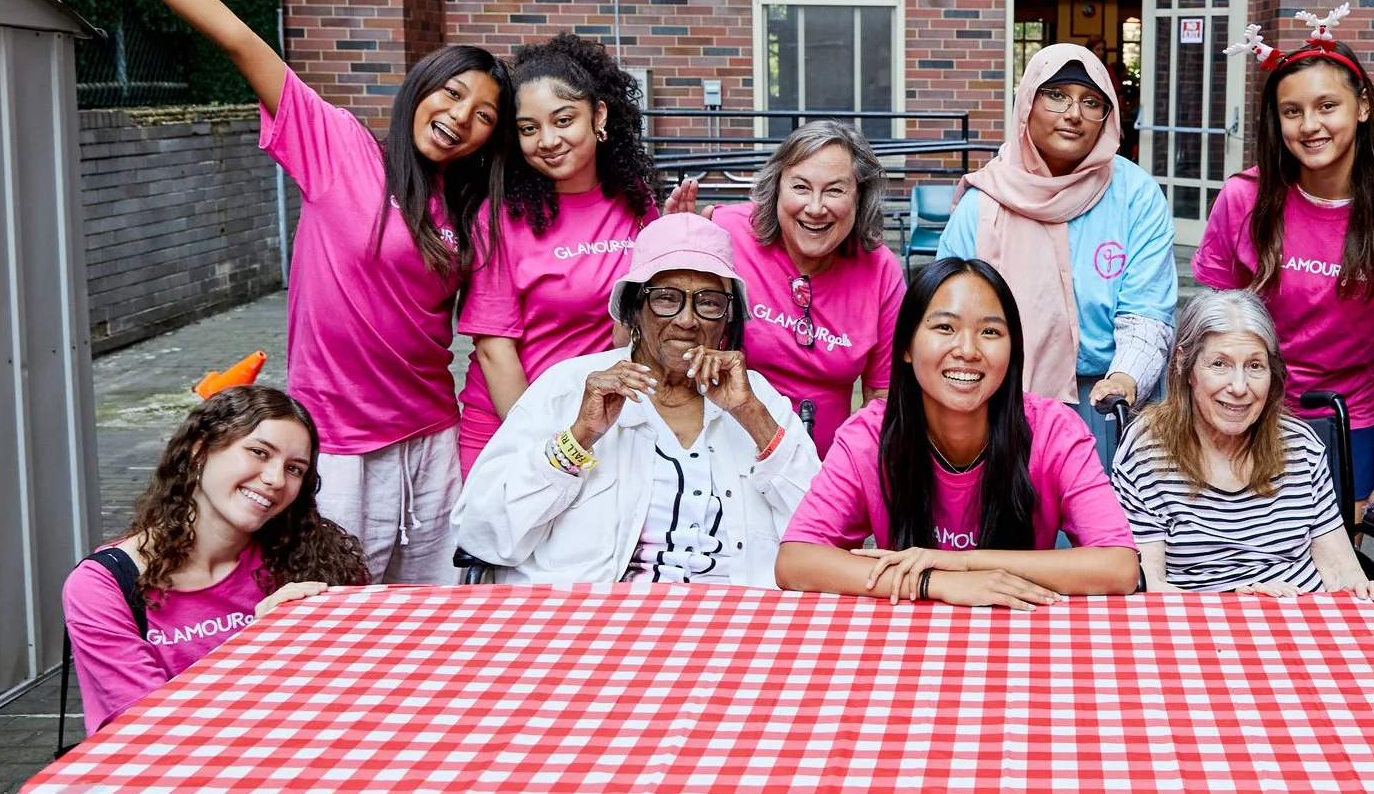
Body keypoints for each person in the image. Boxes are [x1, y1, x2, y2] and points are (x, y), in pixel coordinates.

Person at [39, 0, 505, 582]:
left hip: (432, 442)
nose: (461, 115)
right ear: (421, 88)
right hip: (339, 446)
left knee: (428, 621)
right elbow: (233, 35)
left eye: (485, 114)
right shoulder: (338, 147)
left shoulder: (469, 209)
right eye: (453, 92)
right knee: (335, 618)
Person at [454, 214, 820, 585]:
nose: (687, 320)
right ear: (634, 310)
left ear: (727, 318)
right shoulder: (568, 387)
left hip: (736, 619)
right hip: (595, 622)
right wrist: (578, 438)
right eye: (666, 299)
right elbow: (481, 535)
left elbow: (822, 531)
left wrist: (752, 417)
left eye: (708, 302)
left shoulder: (756, 398)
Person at [1193, 5, 1374, 513]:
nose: (1309, 125)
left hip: (1346, 420)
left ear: (1362, 108)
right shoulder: (1244, 197)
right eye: (1292, 111)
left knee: (1339, 574)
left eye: (1326, 106)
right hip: (1242, 412)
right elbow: (1213, 326)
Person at [774, 257, 1140, 608]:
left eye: (990, 332)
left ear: (1012, 351)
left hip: (1023, 634)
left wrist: (963, 564)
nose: (967, 350)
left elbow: (1118, 567)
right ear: (905, 346)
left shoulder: (1053, 432)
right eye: (944, 327)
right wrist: (935, 581)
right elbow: (796, 560)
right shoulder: (869, 436)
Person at [62, 384, 368, 733]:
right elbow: (151, 728)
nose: (275, 479)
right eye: (258, 452)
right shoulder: (103, 585)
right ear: (200, 450)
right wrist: (261, 642)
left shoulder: (308, 562)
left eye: (295, 469)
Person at [458, 33, 676, 473]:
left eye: (563, 120)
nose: (548, 140)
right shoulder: (500, 216)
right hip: (513, 429)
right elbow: (493, 351)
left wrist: (673, 246)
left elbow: (632, 333)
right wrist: (550, 449)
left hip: (605, 423)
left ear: (598, 115)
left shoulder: (636, 203)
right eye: (528, 128)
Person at [936, 43, 1177, 421]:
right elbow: (946, 316)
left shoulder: (1136, 195)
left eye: (1092, 102)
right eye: (1056, 96)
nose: (1074, 114)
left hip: (1107, 403)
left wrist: (1124, 379)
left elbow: (1146, 311)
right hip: (998, 399)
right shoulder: (981, 205)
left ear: (1107, 116)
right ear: (1027, 103)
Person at [1110, 290, 1374, 598]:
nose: (1239, 387)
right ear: (1185, 364)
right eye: (1220, 364)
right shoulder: (1146, 451)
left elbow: (1338, 566)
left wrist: (1360, 586)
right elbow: (1148, 584)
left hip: (1304, 618)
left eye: (1255, 366)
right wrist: (1235, 604)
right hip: (1203, 626)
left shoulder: (1300, 445)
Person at [711, 121, 907, 454]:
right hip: (725, 463)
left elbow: (882, 399)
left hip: (824, 470)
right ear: (777, 188)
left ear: (860, 198)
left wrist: (852, 474)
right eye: (801, 187)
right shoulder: (727, 231)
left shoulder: (880, 270)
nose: (815, 208)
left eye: (835, 190)